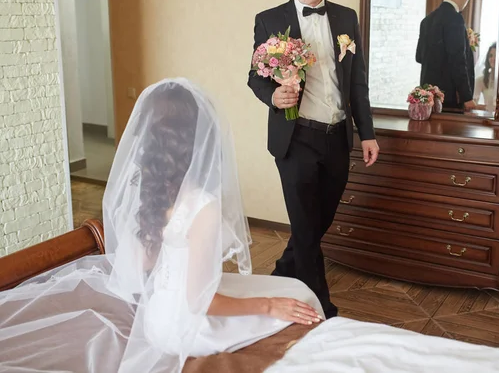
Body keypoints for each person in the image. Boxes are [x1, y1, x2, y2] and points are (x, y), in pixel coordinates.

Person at [0, 78, 323, 373]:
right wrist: (268, 306)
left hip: (156, 316)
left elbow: (145, 265)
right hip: (189, 327)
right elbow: (202, 303)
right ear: (197, 139)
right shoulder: (202, 207)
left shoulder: (149, 191)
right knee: (297, 294)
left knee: (290, 289)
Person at [247, 0, 379, 319]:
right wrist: (275, 98)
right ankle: (320, 308)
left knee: (318, 220)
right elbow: (255, 77)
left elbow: (358, 82)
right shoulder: (269, 20)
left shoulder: (346, 19)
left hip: (337, 136)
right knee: (305, 225)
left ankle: (284, 272)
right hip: (295, 137)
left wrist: (366, 132)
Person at [416, 0, 476, 111]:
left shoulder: (427, 20)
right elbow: (458, 61)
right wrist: (467, 97)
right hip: (449, 97)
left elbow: (419, 57)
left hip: (427, 95)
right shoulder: (455, 19)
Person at [473, 42, 497, 112]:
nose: (493, 59)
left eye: (496, 56)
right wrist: (488, 108)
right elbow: (473, 104)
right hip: (488, 118)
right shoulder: (481, 80)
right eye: (491, 55)